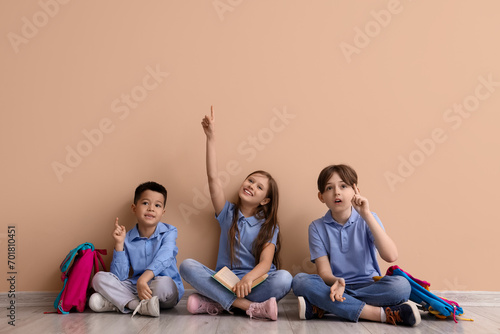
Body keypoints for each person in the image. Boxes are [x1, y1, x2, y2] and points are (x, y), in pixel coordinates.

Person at [180, 107, 292, 321]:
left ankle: (216, 303)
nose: (252, 186)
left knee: (285, 278)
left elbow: (266, 264)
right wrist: (211, 138)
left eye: (259, 188)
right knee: (186, 266)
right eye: (250, 180)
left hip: (253, 283)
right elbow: (213, 178)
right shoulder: (227, 212)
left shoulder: (269, 226)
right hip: (224, 280)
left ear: (265, 200)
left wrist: (247, 280)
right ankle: (249, 307)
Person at [292, 164, 421, 327]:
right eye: (329, 188)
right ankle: (379, 314)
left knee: (401, 286)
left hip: (370, 286)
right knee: (300, 281)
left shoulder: (369, 218)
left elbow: (391, 256)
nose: (337, 192)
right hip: (335, 286)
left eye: (343, 186)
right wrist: (336, 281)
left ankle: (326, 306)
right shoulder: (316, 227)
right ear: (321, 197)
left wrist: (366, 214)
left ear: (355, 191)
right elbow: (324, 272)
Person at [89, 181, 184, 317]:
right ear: (134, 208)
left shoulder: (169, 232)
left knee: (163, 284)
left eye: (157, 205)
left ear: (162, 212)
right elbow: (120, 277)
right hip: (135, 288)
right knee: (98, 278)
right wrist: (119, 244)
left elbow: (166, 255)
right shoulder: (127, 238)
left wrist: (143, 279)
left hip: (163, 289)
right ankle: (137, 305)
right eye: (145, 203)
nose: (151, 208)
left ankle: (119, 303)